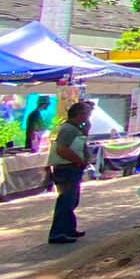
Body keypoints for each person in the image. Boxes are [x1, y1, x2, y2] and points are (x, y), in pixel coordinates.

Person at [46, 101, 90, 244]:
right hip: (67, 168)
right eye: (87, 113)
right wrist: (78, 160)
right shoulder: (68, 130)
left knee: (72, 199)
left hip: (72, 168)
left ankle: (69, 228)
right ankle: (58, 233)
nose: (89, 116)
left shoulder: (74, 128)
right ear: (80, 114)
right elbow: (62, 149)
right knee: (66, 200)